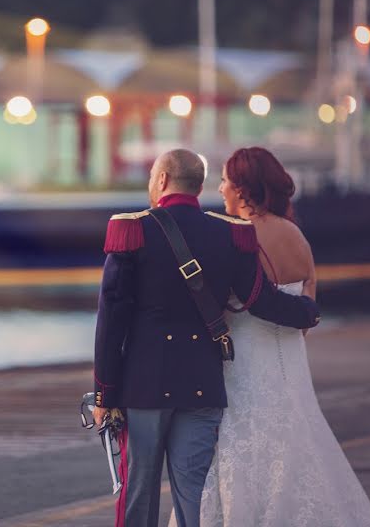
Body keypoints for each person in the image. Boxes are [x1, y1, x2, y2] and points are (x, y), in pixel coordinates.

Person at [92, 149, 321, 527]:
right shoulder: (231, 232)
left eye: (152, 176)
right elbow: (258, 300)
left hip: (144, 387)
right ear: (199, 186)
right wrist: (308, 312)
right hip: (202, 383)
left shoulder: (132, 229)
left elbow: (111, 320)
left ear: (162, 180)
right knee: (192, 498)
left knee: (139, 494)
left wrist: (104, 392)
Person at [169, 147, 370, 527]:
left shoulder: (235, 236)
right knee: (298, 444)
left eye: (224, 181)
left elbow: (222, 304)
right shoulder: (297, 236)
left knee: (237, 450)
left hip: (243, 366)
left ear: (242, 189)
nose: (219, 189)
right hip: (290, 366)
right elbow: (305, 311)